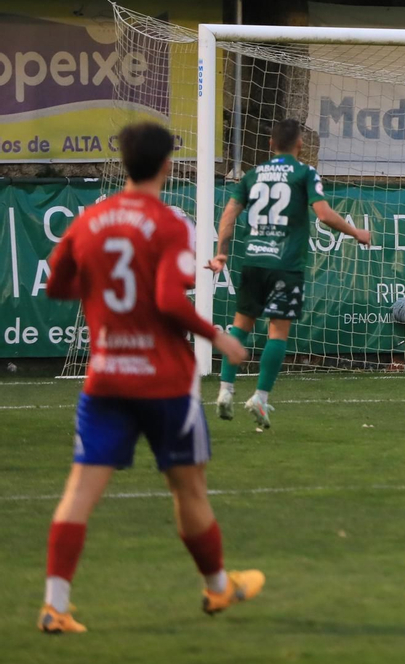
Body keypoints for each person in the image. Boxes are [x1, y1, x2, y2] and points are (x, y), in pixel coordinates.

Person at [37, 121, 260, 634]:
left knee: (78, 493)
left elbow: (57, 282)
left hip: (106, 377)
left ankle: (55, 605)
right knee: (189, 490)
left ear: (124, 161)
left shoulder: (91, 219)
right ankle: (219, 587)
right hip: (163, 382)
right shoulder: (167, 223)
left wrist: (104, 303)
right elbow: (165, 298)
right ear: (166, 165)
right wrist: (219, 337)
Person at [208, 118, 371, 429]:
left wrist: (221, 252)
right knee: (277, 332)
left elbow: (229, 214)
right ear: (300, 145)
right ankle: (260, 398)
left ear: (271, 144)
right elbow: (323, 214)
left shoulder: (253, 174)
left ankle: (225, 391)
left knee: (240, 327)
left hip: (254, 261)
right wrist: (355, 232)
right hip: (285, 264)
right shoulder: (304, 173)